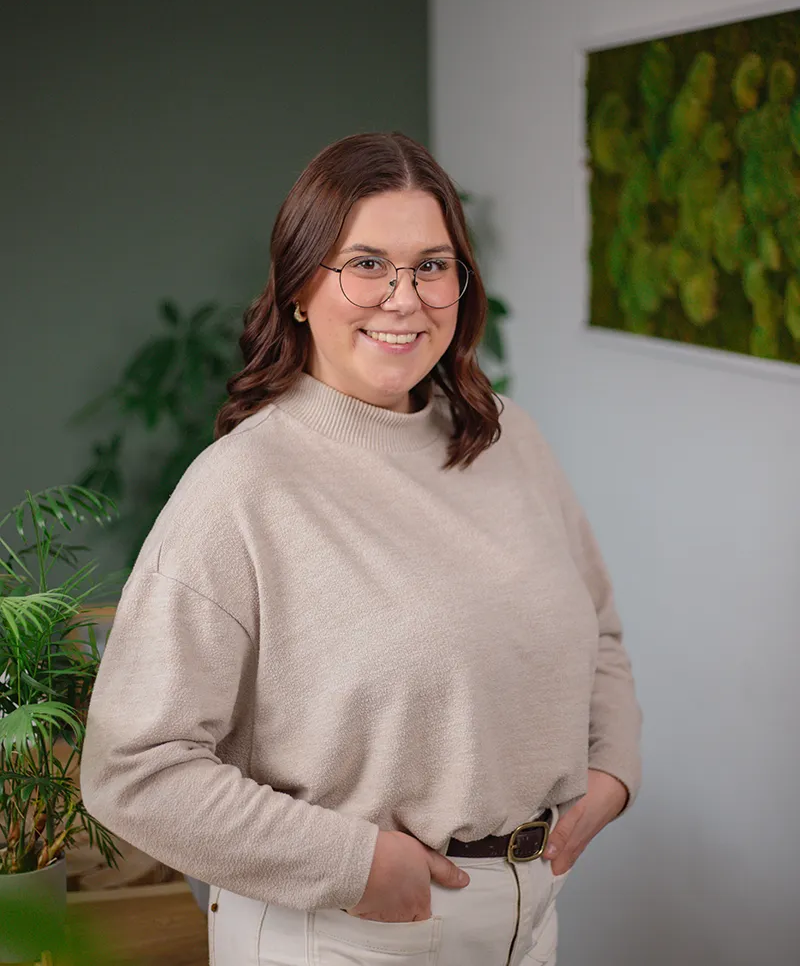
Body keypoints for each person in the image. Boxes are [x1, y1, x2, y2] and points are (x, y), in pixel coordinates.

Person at [81, 131, 642, 966]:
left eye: (431, 265)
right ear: (302, 287)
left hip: (530, 919)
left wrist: (613, 771)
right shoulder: (240, 487)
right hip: (343, 933)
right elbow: (133, 771)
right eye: (367, 264)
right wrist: (353, 865)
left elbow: (595, 629)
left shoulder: (508, 440)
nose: (404, 298)